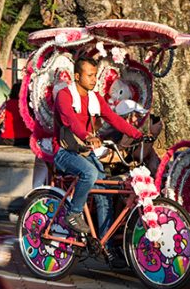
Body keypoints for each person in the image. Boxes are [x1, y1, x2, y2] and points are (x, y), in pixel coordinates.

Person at [54, 57, 142, 266]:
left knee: (104, 194)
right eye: (89, 75)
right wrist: (87, 136)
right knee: (90, 174)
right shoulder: (65, 96)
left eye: (95, 75)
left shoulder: (95, 98)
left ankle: (106, 247)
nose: (94, 80)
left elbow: (114, 118)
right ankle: (73, 214)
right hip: (64, 152)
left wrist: (138, 134)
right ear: (77, 76)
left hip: (85, 151)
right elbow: (70, 120)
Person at [0, 81, 30, 146]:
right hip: (26, 138)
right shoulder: (28, 105)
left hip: (9, 138)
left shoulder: (6, 104)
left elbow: (0, 120)